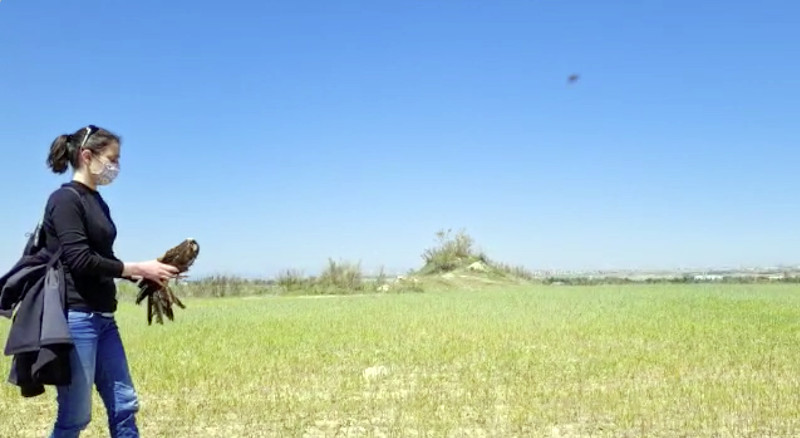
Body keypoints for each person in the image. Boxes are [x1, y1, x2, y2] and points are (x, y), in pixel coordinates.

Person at [43, 124, 180, 437]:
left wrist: (149, 273)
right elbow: (79, 260)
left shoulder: (97, 201)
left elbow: (103, 260)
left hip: (105, 319)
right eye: (112, 158)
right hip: (75, 318)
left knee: (124, 406)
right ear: (87, 155)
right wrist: (137, 267)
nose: (115, 167)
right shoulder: (64, 201)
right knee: (74, 417)